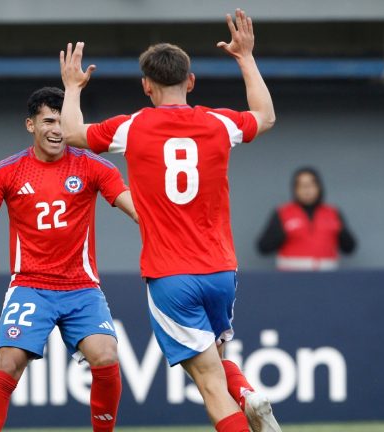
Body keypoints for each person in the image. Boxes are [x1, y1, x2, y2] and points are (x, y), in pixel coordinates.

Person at [60, 9, 280, 432]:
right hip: (221, 270)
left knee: (209, 384)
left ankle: (242, 400)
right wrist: (246, 58)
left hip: (171, 275)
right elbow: (266, 117)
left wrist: (72, 87)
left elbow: (71, 133)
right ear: (190, 82)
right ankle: (249, 394)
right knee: (216, 358)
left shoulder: (133, 128)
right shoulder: (219, 123)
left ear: (146, 86)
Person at [0, 87, 137, 432]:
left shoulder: (93, 166)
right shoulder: (6, 172)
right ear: (31, 125)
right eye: (48, 121)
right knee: (8, 361)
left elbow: (137, 211)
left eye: (62, 121)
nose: (57, 129)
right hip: (30, 286)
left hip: (82, 287)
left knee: (107, 356)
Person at [256, 167, 357, 271]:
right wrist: (282, 232)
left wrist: (339, 230)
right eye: (301, 185)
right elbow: (263, 248)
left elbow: (350, 248)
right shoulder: (283, 212)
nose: (307, 189)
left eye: (311, 185)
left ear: (319, 187)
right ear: (295, 189)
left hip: (327, 277)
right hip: (291, 277)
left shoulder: (333, 213)